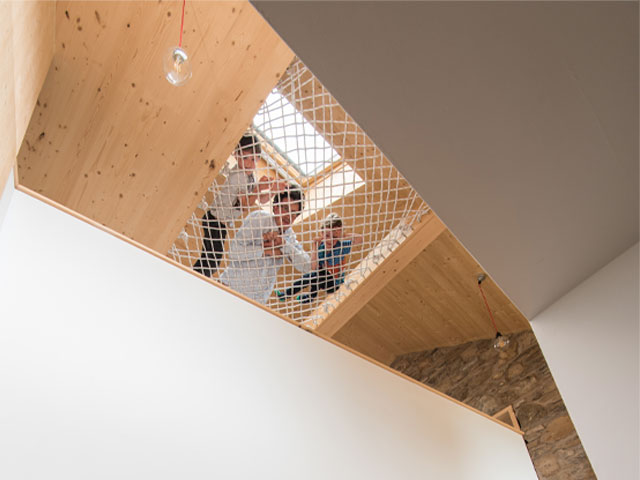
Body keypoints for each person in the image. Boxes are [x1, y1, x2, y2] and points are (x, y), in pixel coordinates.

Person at [193, 134, 282, 277]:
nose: (249, 163)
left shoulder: (250, 176)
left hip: (221, 223)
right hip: (214, 220)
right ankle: (193, 277)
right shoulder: (238, 176)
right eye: (245, 158)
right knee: (212, 261)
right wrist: (259, 188)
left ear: (258, 159)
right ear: (236, 155)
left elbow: (261, 200)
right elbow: (244, 205)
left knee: (211, 260)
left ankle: (194, 277)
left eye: (253, 159)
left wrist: (273, 191)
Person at [219, 185, 312, 305]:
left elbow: (307, 266)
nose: (288, 216)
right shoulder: (259, 219)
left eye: (294, 213)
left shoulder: (290, 237)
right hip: (228, 289)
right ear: (275, 207)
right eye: (285, 208)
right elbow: (234, 252)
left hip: (255, 304)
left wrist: (283, 245)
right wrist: (265, 250)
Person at [276, 213, 363, 304]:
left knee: (315, 274)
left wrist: (343, 235)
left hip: (334, 284)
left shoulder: (340, 247)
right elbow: (313, 266)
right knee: (314, 274)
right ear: (322, 233)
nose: (330, 240)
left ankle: (290, 295)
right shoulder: (321, 248)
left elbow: (360, 239)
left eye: (334, 237)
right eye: (327, 236)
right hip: (322, 278)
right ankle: (305, 296)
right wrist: (314, 246)